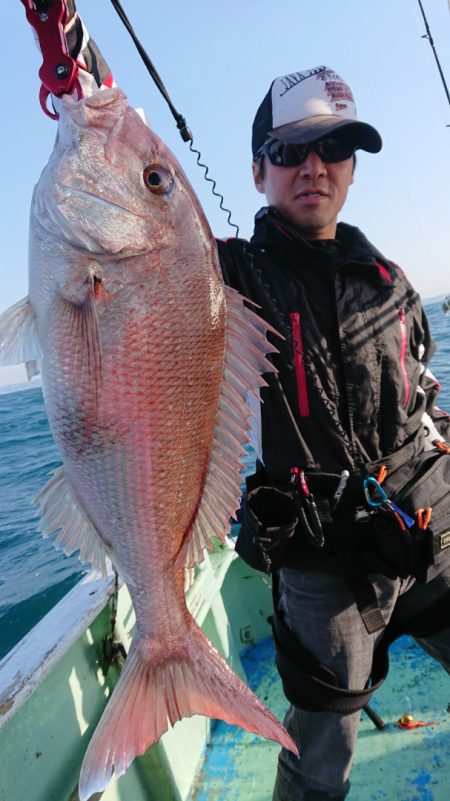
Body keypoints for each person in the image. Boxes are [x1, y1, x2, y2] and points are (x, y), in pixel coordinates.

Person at [33, 6, 450, 800]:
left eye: (335, 148)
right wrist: (71, 51)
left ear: (355, 168)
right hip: (323, 552)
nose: (315, 165)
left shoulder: (391, 281)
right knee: (321, 741)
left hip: (424, 517)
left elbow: (421, 391)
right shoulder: (216, 273)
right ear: (259, 170)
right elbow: (142, 234)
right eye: (291, 150)